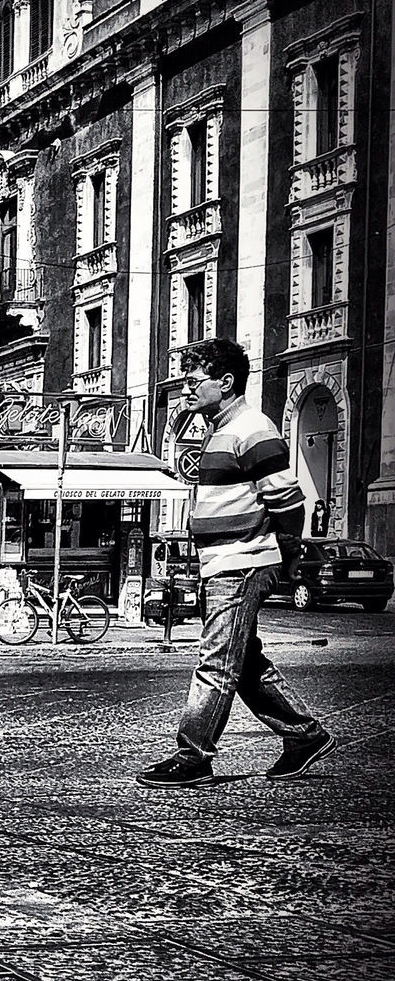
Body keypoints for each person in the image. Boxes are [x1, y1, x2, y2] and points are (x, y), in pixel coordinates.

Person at [138, 338, 335, 789]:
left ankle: (194, 756)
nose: (187, 389)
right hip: (222, 560)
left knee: (215, 662)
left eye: (194, 382)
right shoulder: (217, 428)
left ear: (225, 382)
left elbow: (288, 502)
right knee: (241, 661)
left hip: (243, 561)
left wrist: (282, 558)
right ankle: (305, 736)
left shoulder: (253, 428)